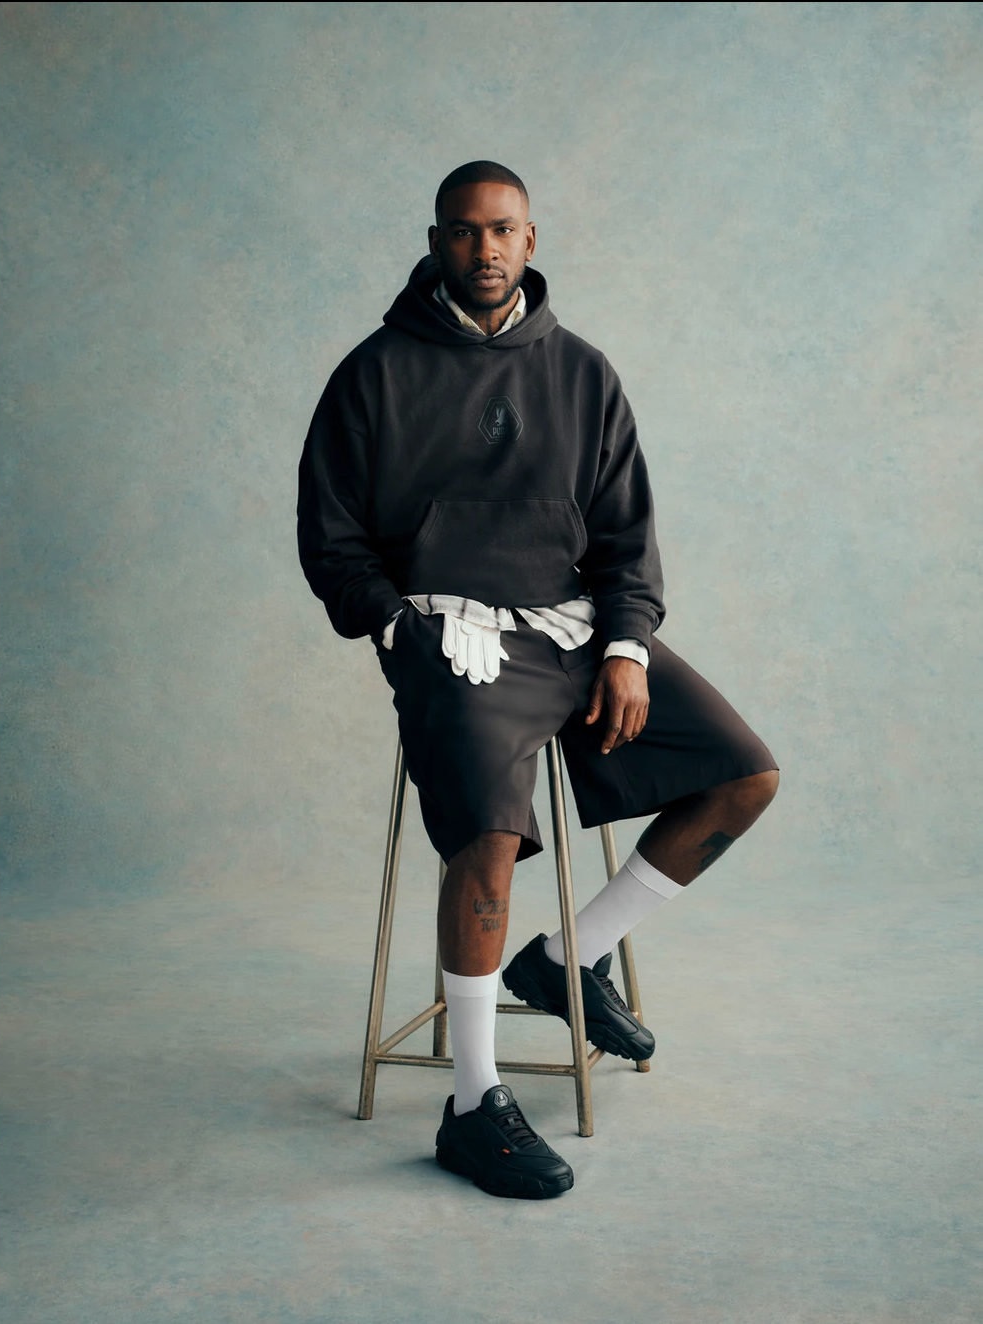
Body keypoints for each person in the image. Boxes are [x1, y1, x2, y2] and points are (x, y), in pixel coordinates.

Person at [297, 161, 779, 1200]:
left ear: (530, 238)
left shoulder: (585, 372)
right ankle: (473, 1104)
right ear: (435, 242)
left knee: (743, 773)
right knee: (489, 827)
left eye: (503, 229)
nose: (485, 249)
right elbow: (330, 537)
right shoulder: (373, 374)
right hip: (450, 637)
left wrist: (626, 645)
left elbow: (625, 538)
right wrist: (394, 626)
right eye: (465, 232)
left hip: (571, 630)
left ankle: (566, 958)